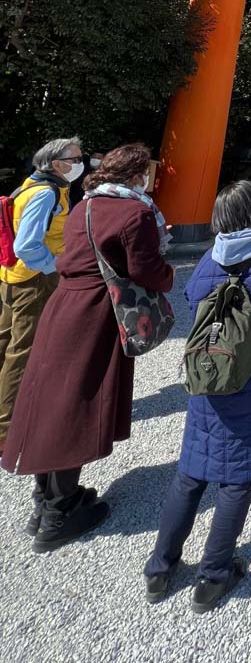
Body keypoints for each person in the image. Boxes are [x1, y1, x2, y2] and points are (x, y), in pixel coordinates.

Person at [145, 180, 251, 613]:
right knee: (237, 478)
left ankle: (160, 568)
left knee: (191, 474)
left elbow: (191, 302)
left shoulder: (207, 262)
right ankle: (213, 575)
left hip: (209, 381)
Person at [1, 143, 174, 552]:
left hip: (63, 304)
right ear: (135, 175)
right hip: (96, 312)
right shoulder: (136, 212)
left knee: (51, 398)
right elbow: (146, 271)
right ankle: (60, 511)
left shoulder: (84, 206)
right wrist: (165, 272)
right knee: (77, 402)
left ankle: (46, 497)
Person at [0, 137, 83, 451]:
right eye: (75, 158)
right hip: (34, 279)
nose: (80, 163)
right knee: (22, 351)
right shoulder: (46, 194)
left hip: (13, 277)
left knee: (7, 342)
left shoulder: (30, 186)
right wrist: (55, 265)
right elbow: (27, 245)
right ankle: (7, 429)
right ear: (57, 163)